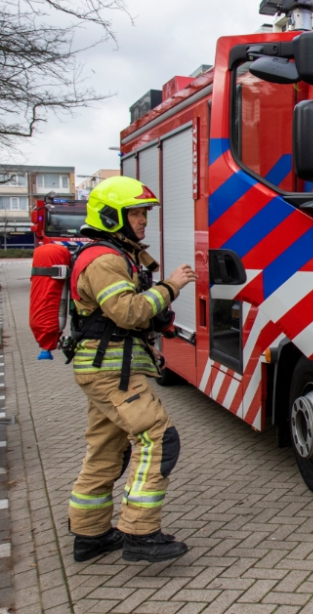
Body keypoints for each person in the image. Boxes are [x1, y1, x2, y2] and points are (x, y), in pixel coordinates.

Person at [67, 176, 197, 563]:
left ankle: (90, 535)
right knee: (158, 439)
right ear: (111, 216)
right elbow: (126, 312)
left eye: (143, 212)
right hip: (111, 371)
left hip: (104, 368)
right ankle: (140, 532)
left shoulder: (112, 254)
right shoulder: (105, 259)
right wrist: (171, 287)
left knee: (106, 448)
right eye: (136, 213)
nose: (143, 220)